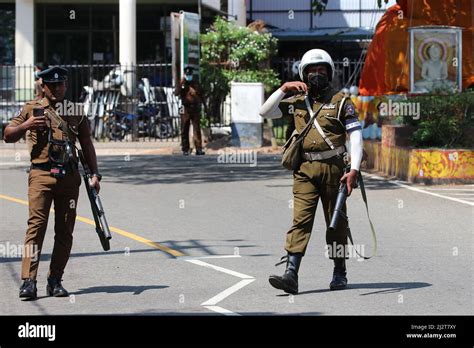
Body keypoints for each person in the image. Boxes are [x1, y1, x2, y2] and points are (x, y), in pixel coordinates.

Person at [259, 49, 364, 294]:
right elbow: (264, 112)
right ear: (303, 74)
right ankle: (291, 274)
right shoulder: (296, 102)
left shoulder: (340, 101)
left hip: (334, 170)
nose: (316, 74)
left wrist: (354, 170)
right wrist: (284, 89)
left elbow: (356, 135)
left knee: (336, 222)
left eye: (321, 70)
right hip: (304, 169)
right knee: (300, 221)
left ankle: (340, 272)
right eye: (311, 71)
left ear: (329, 72)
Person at [3, 66, 101, 300]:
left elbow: (86, 143)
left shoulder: (76, 111)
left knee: (65, 230)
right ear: (43, 87)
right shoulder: (31, 108)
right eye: (52, 85)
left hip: (68, 177)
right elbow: (7, 134)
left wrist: (95, 173)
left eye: (61, 84)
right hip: (41, 176)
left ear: (66, 85)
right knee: (36, 227)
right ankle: (28, 281)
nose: (58, 89)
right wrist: (26, 126)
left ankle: (55, 280)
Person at [174, 66, 205, 156]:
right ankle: (185, 149)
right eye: (187, 74)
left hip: (195, 108)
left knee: (196, 129)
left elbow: (201, 95)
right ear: (185, 74)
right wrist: (181, 84)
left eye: (190, 74)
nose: (189, 76)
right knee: (184, 128)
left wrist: (204, 107)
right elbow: (176, 93)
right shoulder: (182, 83)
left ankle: (198, 148)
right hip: (185, 108)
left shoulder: (195, 84)